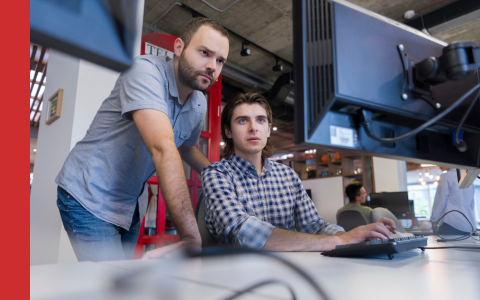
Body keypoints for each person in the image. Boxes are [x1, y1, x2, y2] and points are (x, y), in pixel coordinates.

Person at [55, 17, 230, 261]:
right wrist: (191, 236)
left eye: (220, 60)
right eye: (204, 53)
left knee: (122, 279)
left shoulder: (199, 103)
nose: (213, 66)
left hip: (130, 203)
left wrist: (221, 177)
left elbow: (187, 149)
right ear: (179, 47)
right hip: (90, 194)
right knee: (109, 287)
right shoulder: (144, 71)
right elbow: (163, 147)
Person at [201, 92, 396, 251]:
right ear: (228, 131)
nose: (253, 128)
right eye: (242, 121)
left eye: (260, 120)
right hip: (237, 278)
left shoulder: (287, 176)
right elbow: (242, 232)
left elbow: (314, 226)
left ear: (268, 130)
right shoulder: (216, 174)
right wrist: (334, 242)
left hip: (292, 272)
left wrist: (346, 236)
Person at [431, 167, 476, 235]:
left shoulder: (446, 176)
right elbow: (471, 206)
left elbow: (440, 202)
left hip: (451, 224)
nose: (438, 165)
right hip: (468, 226)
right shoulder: (468, 179)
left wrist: (434, 221)